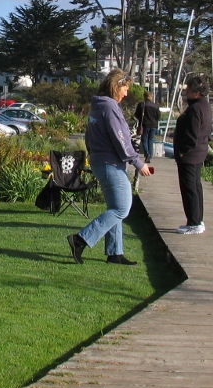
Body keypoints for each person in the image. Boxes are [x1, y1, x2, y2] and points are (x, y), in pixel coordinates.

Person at [66, 69, 154, 265]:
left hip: (100, 161)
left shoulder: (97, 106)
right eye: (125, 88)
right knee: (122, 209)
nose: (126, 93)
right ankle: (80, 239)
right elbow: (121, 139)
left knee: (115, 207)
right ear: (116, 87)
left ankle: (115, 253)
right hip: (110, 164)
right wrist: (138, 162)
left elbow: (89, 137)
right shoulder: (110, 107)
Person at [173, 74, 213, 234]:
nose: (186, 92)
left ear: (197, 92)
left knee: (189, 188)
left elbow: (192, 134)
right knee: (195, 187)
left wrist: (183, 151)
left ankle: (195, 223)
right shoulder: (204, 105)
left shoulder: (196, 109)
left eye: (189, 90)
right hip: (199, 152)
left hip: (191, 155)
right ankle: (196, 220)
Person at [134, 91, 161, 163]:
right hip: (153, 125)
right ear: (151, 97)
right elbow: (158, 116)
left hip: (144, 125)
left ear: (144, 96)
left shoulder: (141, 105)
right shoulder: (155, 106)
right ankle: (150, 155)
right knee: (151, 140)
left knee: (144, 140)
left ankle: (147, 154)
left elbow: (136, 115)